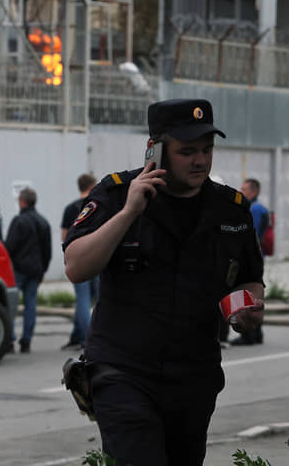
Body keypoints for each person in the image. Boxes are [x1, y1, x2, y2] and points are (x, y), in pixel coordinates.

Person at [62, 98, 265, 465]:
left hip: (194, 377)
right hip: (124, 373)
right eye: (187, 151)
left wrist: (248, 308)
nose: (200, 160)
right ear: (154, 149)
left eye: (207, 150)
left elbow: (250, 279)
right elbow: (76, 266)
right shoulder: (116, 194)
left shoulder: (230, 208)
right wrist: (129, 213)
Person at [4, 187, 52, 353]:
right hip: (35, 270)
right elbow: (48, 251)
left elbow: (9, 247)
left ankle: (9, 340)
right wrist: (43, 270)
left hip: (17, 270)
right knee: (30, 306)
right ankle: (26, 342)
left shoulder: (18, 221)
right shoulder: (43, 222)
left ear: (22, 201)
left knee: (11, 305)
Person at [60, 173, 100, 351]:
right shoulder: (99, 204)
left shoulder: (70, 208)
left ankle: (79, 336)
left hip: (78, 258)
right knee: (98, 299)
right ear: (92, 186)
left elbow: (64, 237)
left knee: (82, 300)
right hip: (98, 256)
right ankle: (88, 339)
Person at [229, 178, 269, 346]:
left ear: (254, 191)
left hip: (248, 258)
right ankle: (257, 333)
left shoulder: (255, 209)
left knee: (246, 294)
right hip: (253, 256)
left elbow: (251, 232)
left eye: (244, 189)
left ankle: (249, 334)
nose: (241, 191)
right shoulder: (256, 207)